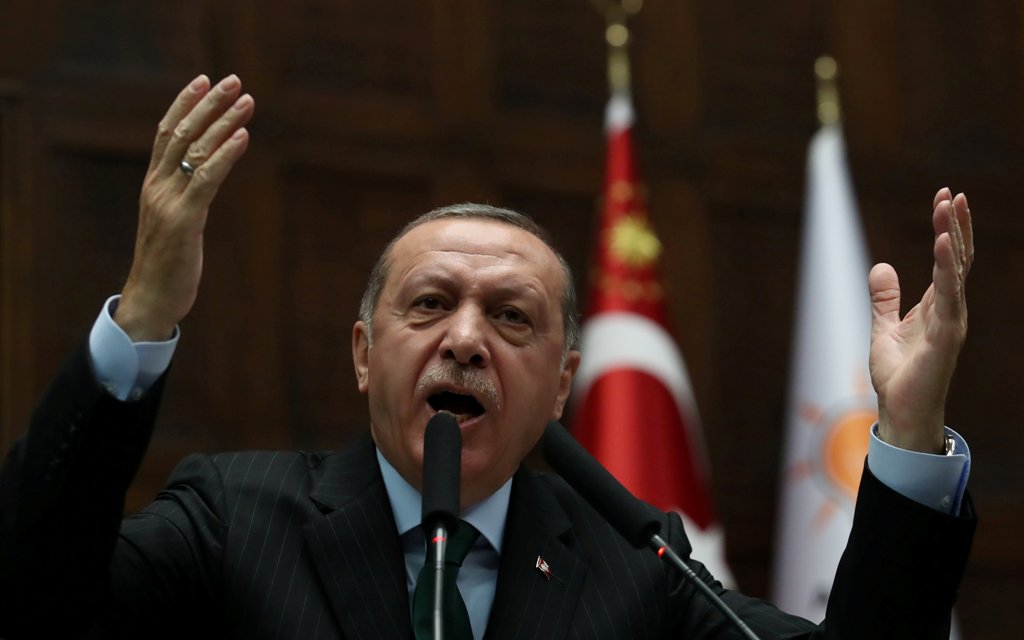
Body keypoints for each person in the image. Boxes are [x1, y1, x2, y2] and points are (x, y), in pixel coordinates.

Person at [0, 74, 976, 639]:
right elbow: (36, 588)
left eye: (511, 318)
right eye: (429, 304)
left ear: (560, 383)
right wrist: (142, 317)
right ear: (362, 352)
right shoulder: (235, 518)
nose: (464, 338)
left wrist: (908, 431)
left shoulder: (637, 567)